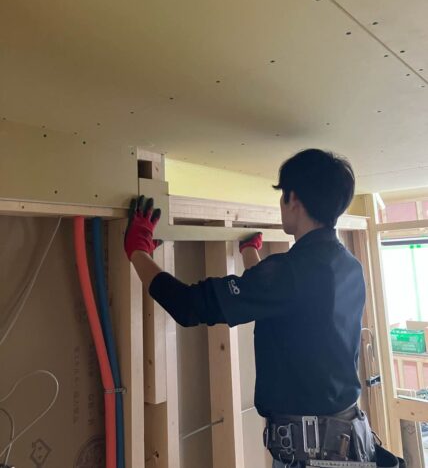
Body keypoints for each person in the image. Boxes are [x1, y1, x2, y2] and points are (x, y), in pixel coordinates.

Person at [123, 149, 391, 467]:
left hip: (315, 454)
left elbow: (188, 306)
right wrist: (251, 254)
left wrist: (138, 250)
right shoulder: (348, 265)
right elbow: (282, 301)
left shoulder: (291, 272)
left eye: (282, 195)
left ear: (293, 198)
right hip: (346, 442)